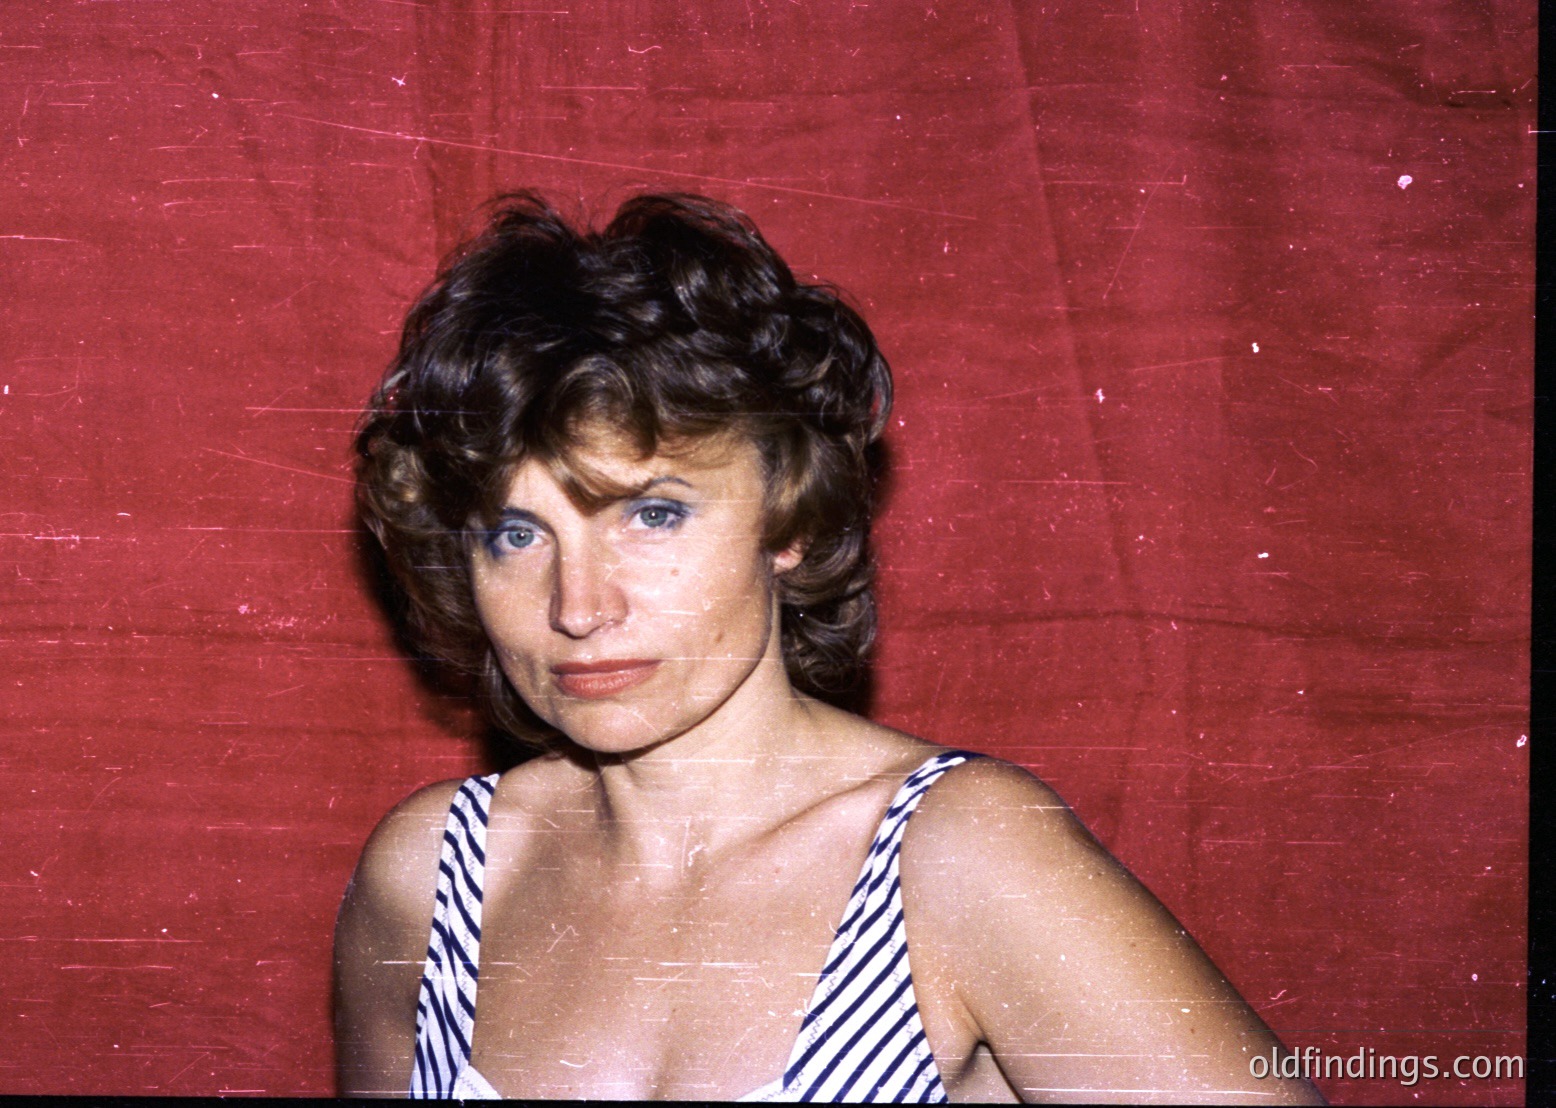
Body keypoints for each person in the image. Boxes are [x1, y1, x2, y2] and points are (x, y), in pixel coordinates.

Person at [336, 192, 1323, 1104]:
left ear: (788, 519)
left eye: (652, 513)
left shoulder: (955, 858)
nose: (577, 606)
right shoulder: (430, 878)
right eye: (515, 533)